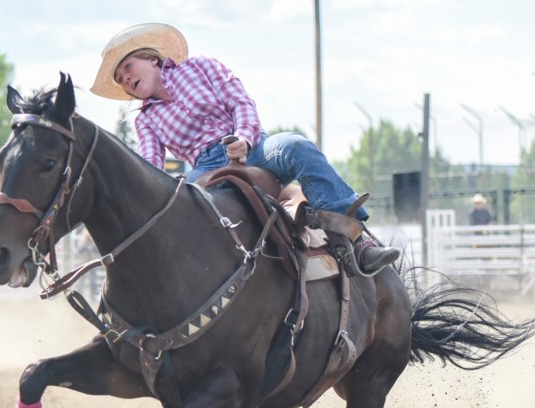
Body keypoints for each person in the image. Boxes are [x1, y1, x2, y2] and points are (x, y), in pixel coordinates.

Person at [90, 23, 399, 273]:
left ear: (152, 59)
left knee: (296, 145)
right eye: (120, 79)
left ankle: (354, 240)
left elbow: (240, 101)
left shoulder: (201, 66)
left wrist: (244, 138)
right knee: (185, 205)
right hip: (205, 167)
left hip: (254, 146)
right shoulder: (145, 120)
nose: (126, 78)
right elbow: (151, 167)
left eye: (128, 67)